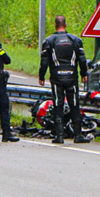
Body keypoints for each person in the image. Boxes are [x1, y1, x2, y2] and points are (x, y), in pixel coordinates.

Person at [39, 15, 90, 144]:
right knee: (74, 104)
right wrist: (84, 74)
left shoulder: (49, 41)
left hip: (57, 78)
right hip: (72, 77)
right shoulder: (75, 40)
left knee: (58, 104)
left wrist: (41, 76)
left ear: (55, 25)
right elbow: (82, 59)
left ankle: (59, 136)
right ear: (65, 25)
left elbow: (44, 61)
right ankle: (78, 135)